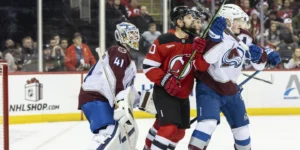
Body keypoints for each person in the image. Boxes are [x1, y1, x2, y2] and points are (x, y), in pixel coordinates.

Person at [188, 4, 281, 150]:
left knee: (242, 130)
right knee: (208, 123)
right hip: (209, 87)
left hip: (231, 90)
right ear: (228, 20)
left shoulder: (245, 36)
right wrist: (214, 38)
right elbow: (209, 60)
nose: (243, 24)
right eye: (238, 20)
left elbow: (258, 64)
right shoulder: (211, 34)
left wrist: (263, 57)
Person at [142, 6, 203, 150]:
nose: (193, 20)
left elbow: (201, 67)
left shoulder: (195, 42)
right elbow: (149, 66)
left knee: (179, 132)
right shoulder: (164, 40)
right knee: (168, 128)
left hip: (183, 94)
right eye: (189, 18)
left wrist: (202, 50)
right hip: (165, 91)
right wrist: (165, 80)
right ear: (179, 22)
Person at [78, 22, 141, 150]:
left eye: (135, 34)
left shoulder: (126, 57)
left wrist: (142, 99)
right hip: (96, 97)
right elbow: (114, 77)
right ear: (122, 36)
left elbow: (127, 89)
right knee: (108, 133)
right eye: (131, 34)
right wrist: (119, 99)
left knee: (120, 138)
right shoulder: (119, 51)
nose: (135, 37)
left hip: (99, 98)